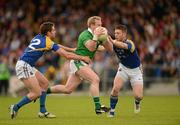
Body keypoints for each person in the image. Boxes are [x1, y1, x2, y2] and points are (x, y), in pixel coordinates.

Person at [9, 22, 91, 119]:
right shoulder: (47, 42)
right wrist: (82, 58)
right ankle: (15, 107)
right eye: (53, 30)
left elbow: (56, 45)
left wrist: (71, 49)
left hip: (27, 65)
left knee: (44, 83)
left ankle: (42, 111)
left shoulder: (38, 37)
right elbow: (66, 56)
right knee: (36, 93)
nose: (55, 31)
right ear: (48, 32)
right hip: (24, 65)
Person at [46, 16, 112, 115]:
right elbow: (90, 48)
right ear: (92, 25)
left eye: (101, 25)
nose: (101, 26)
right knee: (95, 79)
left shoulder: (96, 36)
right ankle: (98, 107)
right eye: (98, 25)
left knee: (67, 89)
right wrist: (96, 37)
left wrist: (106, 39)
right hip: (78, 61)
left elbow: (108, 49)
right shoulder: (85, 34)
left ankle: (43, 91)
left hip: (82, 63)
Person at [107, 24, 143, 117]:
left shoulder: (130, 43)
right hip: (123, 68)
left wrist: (112, 41)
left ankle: (137, 102)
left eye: (118, 33)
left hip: (136, 71)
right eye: (115, 33)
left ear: (124, 34)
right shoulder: (114, 43)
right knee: (115, 89)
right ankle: (112, 111)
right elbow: (105, 48)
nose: (116, 35)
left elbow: (123, 46)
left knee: (138, 96)